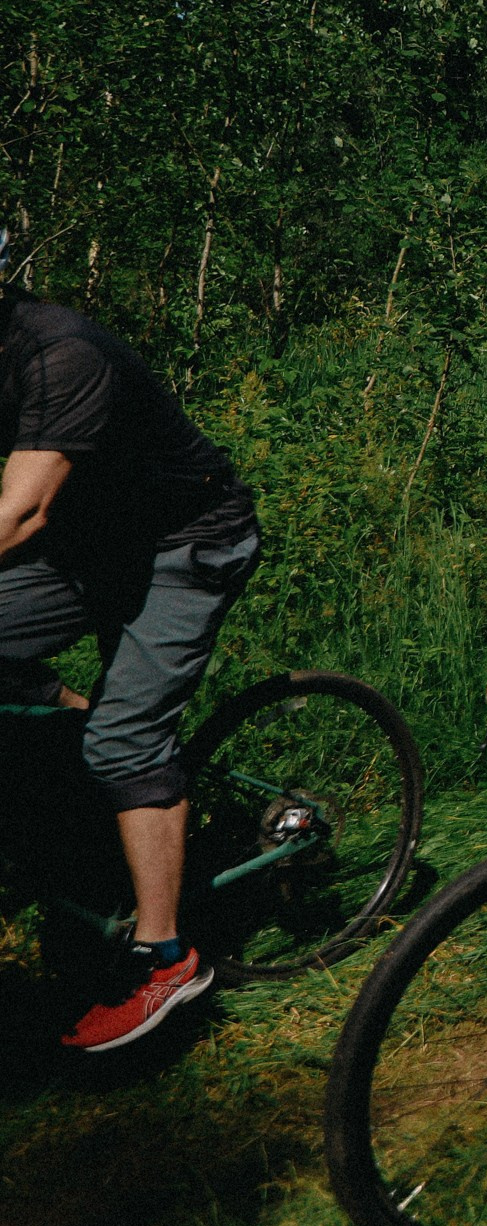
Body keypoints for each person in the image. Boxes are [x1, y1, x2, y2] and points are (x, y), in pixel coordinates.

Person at [0, 283, 262, 1050]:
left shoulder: (62, 354)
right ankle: (82, 729)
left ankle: (166, 958)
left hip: (185, 543)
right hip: (97, 541)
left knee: (125, 745)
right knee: (95, 727)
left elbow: (22, 511)